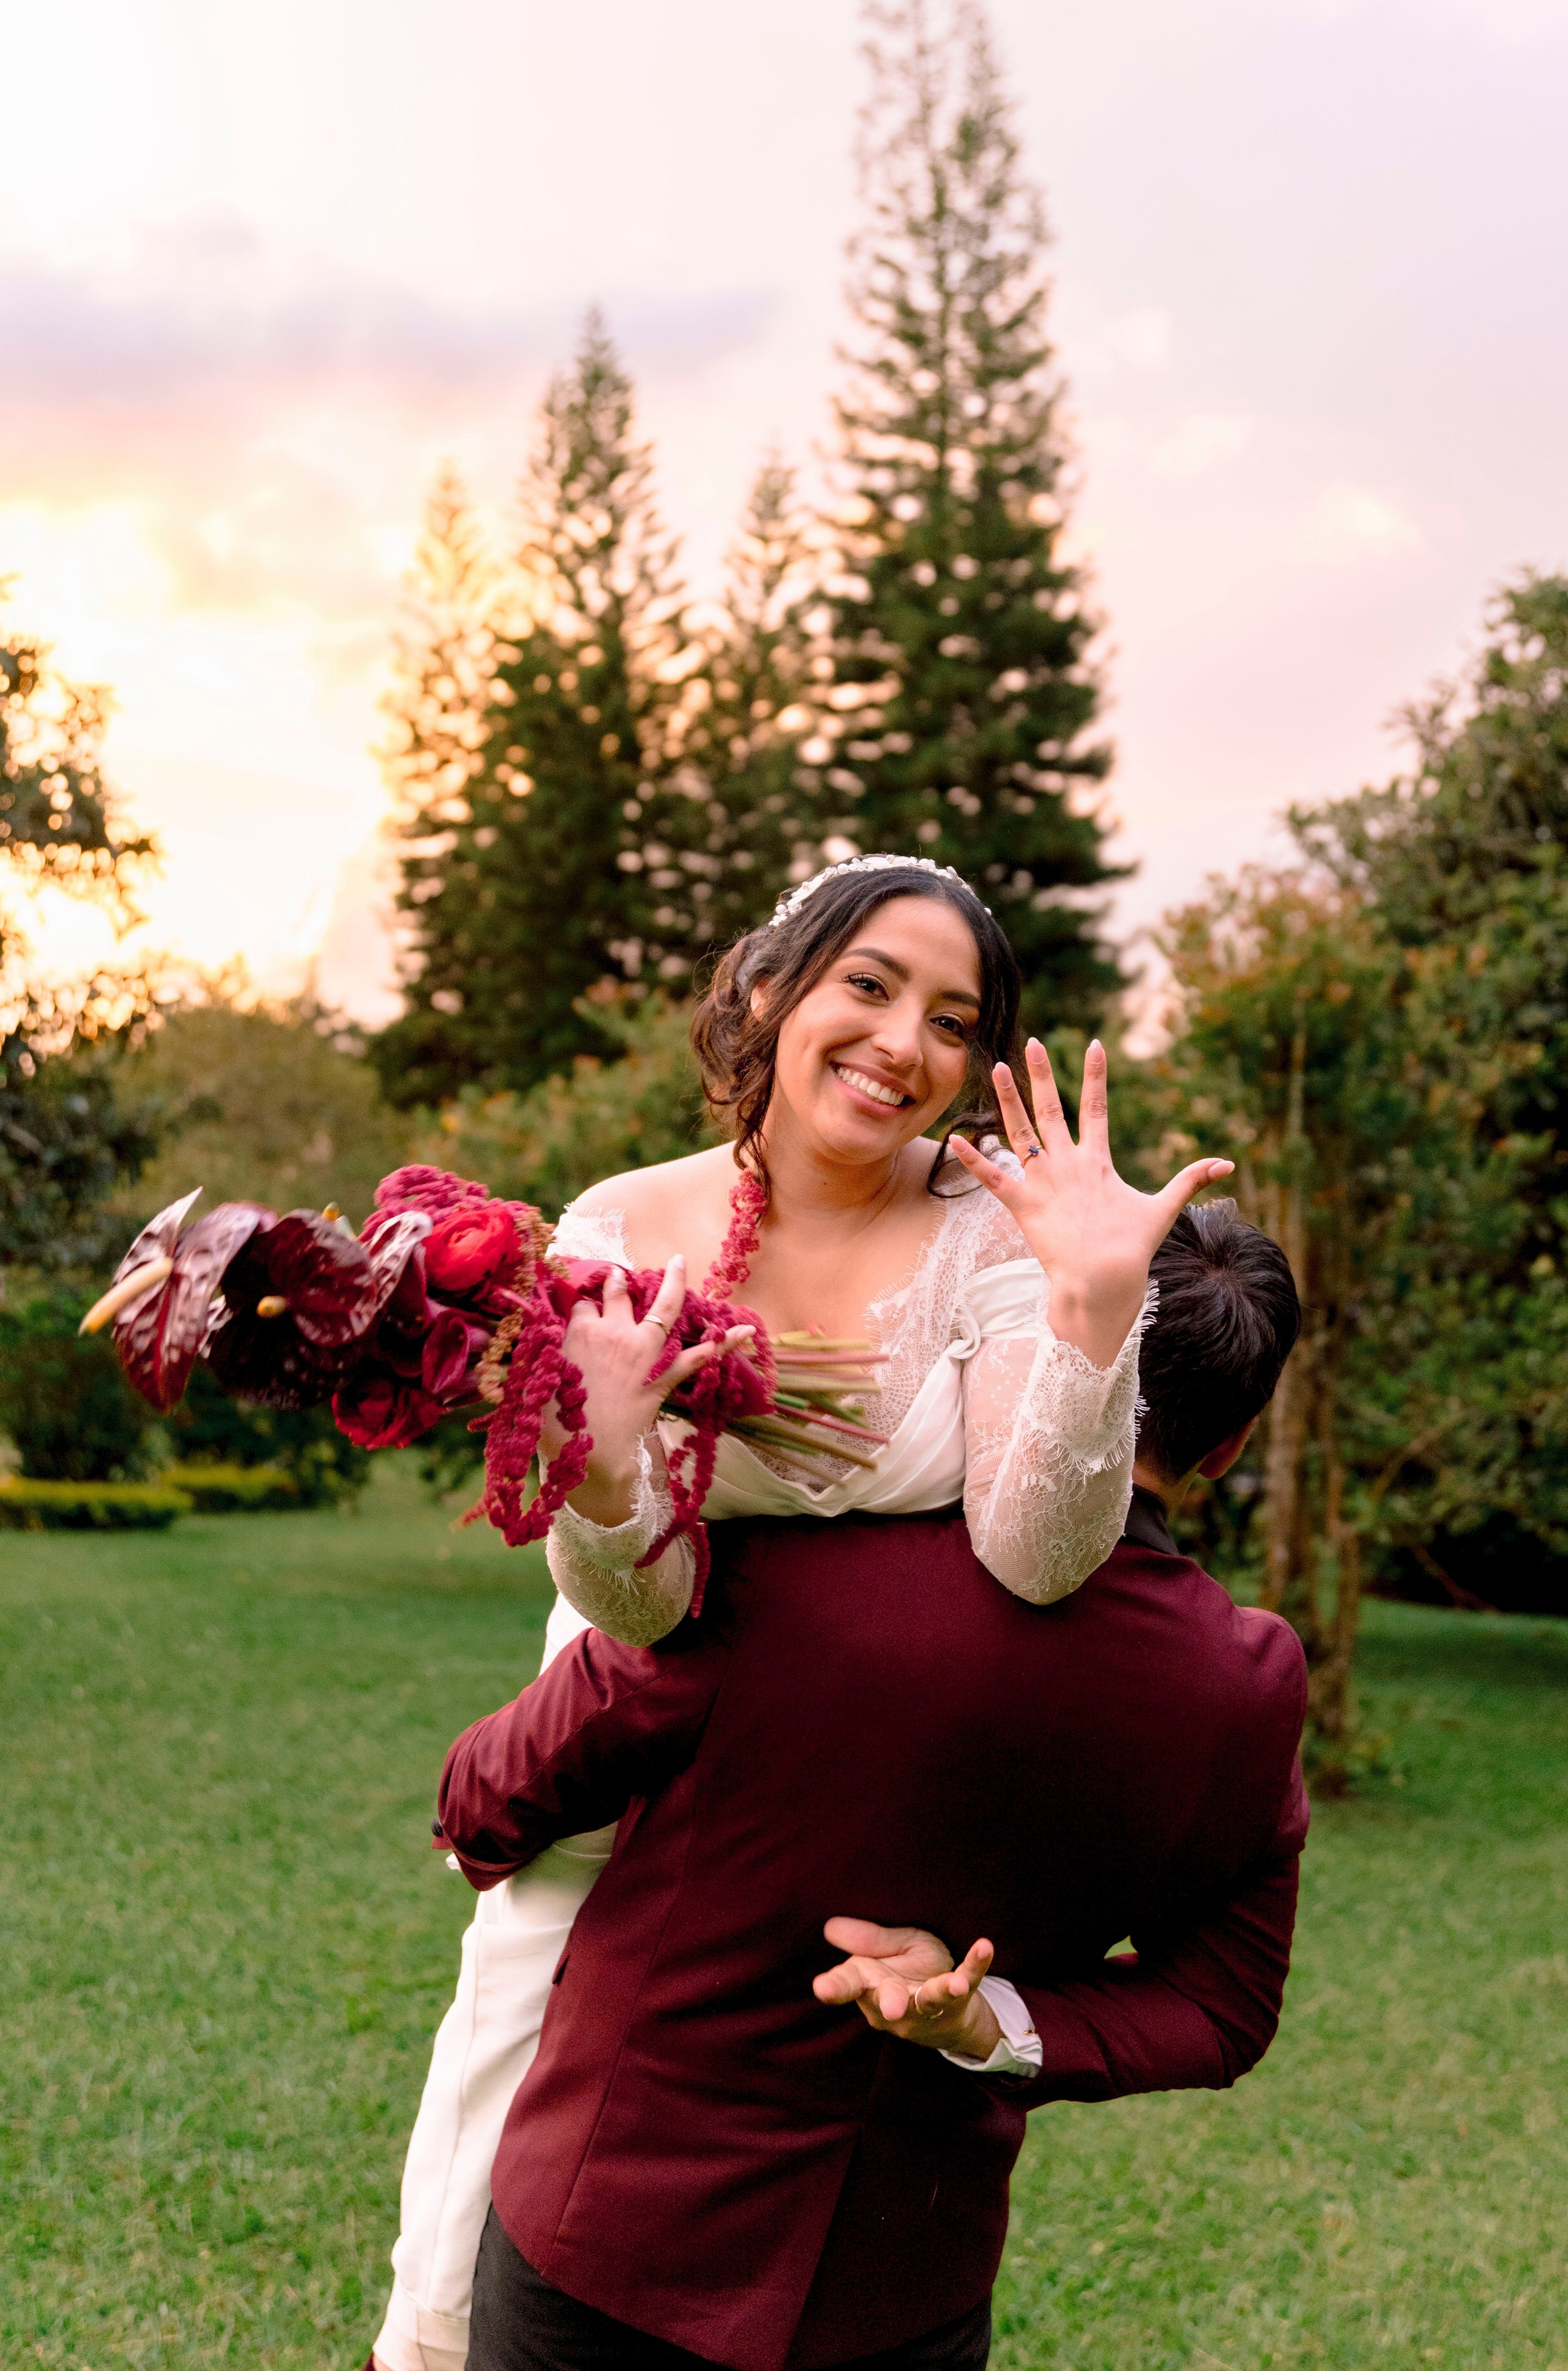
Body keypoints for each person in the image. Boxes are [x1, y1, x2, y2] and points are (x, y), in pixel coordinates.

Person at [369, 852, 1233, 2371]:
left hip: (841, 1791)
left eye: (952, 1020)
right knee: (513, 2080)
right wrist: (613, 1458)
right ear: (770, 988)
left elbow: (1035, 1554)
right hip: (618, 1745)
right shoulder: (615, 1224)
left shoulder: (989, 1229)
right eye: (870, 985)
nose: (906, 1042)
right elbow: (631, 1595)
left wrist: (1092, 1319)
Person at [433, 1197, 1306, 2371]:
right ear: (1229, 1446)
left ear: (1035, 1345)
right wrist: (988, 2019)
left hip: (611, 2254)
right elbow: (1224, 2006)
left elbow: (484, 1800)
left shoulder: (791, 1567)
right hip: (903, 2300)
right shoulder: (1241, 1684)